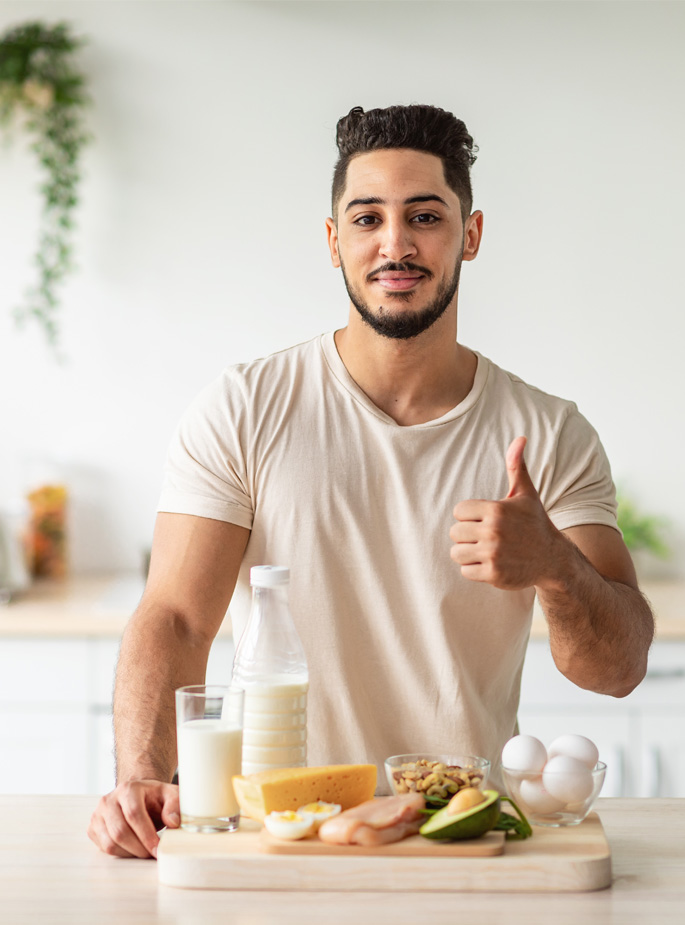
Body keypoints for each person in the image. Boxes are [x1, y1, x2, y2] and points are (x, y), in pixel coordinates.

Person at [88, 104, 654, 858]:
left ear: (471, 235)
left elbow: (617, 669)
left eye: (425, 215)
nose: (396, 243)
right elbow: (177, 621)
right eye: (367, 219)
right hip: (280, 837)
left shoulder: (547, 431)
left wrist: (554, 564)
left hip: (463, 837)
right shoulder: (246, 406)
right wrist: (140, 779)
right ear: (333, 242)